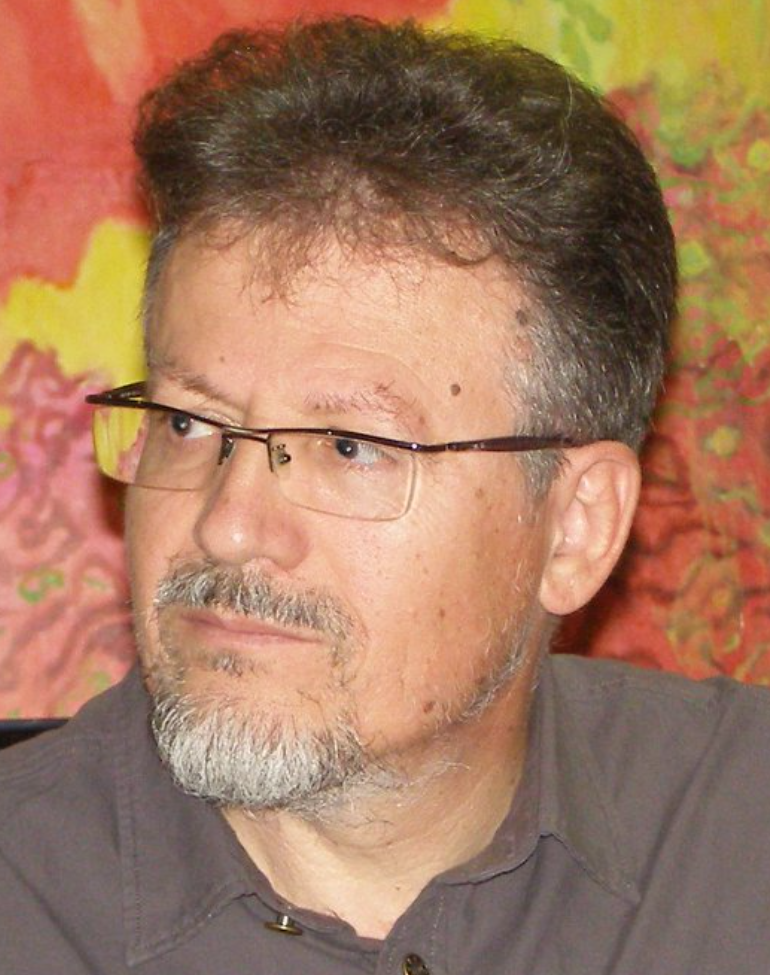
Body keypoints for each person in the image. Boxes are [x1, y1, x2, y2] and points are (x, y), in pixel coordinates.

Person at [2, 16, 769, 974]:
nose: (227, 524)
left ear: (576, 527)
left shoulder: (736, 834)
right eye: (189, 423)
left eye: (349, 445)